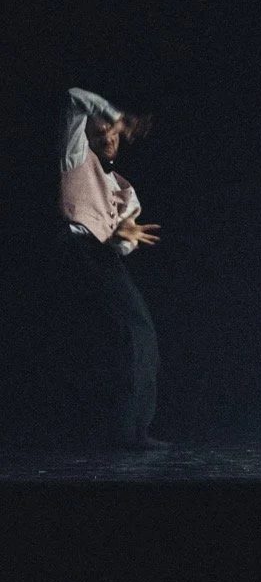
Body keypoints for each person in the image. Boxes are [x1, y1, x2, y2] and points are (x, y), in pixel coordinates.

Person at [55, 87, 165, 448]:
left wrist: (122, 235)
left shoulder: (124, 190)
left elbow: (124, 245)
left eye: (113, 133)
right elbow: (72, 96)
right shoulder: (75, 158)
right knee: (134, 331)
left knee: (136, 334)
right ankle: (126, 431)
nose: (107, 138)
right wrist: (117, 114)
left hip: (100, 255)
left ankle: (132, 429)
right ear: (86, 135)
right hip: (76, 249)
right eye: (99, 133)